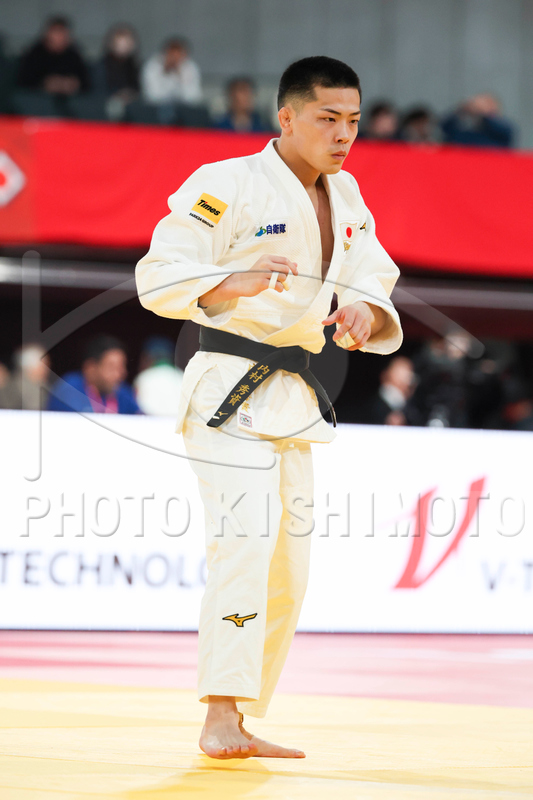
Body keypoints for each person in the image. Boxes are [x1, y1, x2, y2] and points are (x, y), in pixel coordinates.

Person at [136, 55, 402, 759]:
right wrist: (232, 279)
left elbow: (373, 274)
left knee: (289, 570)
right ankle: (219, 714)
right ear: (286, 117)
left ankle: (242, 715)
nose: (343, 134)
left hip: (294, 396)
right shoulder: (225, 184)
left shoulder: (347, 196)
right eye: (327, 118)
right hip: (228, 386)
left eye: (352, 121)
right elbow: (157, 275)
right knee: (245, 542)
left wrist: (365, 312)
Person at [47, 334, 140, 414]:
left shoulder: (121, 391)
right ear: (90, 368)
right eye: (111, 368)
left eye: (121, 367)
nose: (119, 374)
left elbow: (141, 417)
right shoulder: (69, 389)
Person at [17, 15, 90, 95]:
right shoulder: (34, 54)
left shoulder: (73, 55)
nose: (59, 37)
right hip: (39, 98)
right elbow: (24, 81)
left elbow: (86, 82)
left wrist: (73, 84)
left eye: (62, 33)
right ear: (48, 34)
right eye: (56, 33)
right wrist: (45, 84)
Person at [141, 37, 202, 107]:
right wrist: (164, 73)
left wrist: (180, 76)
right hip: (157, 108)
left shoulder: (190, 67)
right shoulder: (153, 66)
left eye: (178, 55)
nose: (174, 59)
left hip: (184, 108)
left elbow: (193, 97)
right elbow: (152, 96)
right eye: (172, 55)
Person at [441, 93, 515, 148]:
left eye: (489, 104)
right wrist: (463, 109)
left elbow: (503, 130)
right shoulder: (466, 135)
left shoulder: (502, 133)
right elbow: (445, 128)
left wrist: (485, 113)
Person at [134, 336, 184, 416]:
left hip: (151, 422)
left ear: (148, 358)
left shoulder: (143, 378)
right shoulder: (183, 376)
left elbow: (136, 410)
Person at [92, 24, 140, 104]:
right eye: (121, 43)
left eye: (128, 43)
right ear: (112, 44)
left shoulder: (133, 66)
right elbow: (99, 94)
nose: (125, 46)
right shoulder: (101, 68)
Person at [365, 355, 420, 425]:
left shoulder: (410, 407)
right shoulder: (375, 406)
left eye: (409, 372)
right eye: (400, 372)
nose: (408, 378)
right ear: (386, 374)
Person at [0, 343, 50, 410]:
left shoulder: (10, 384)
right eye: (44, 366)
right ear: (31, 367)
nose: (47, 370)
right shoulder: (28, 388)